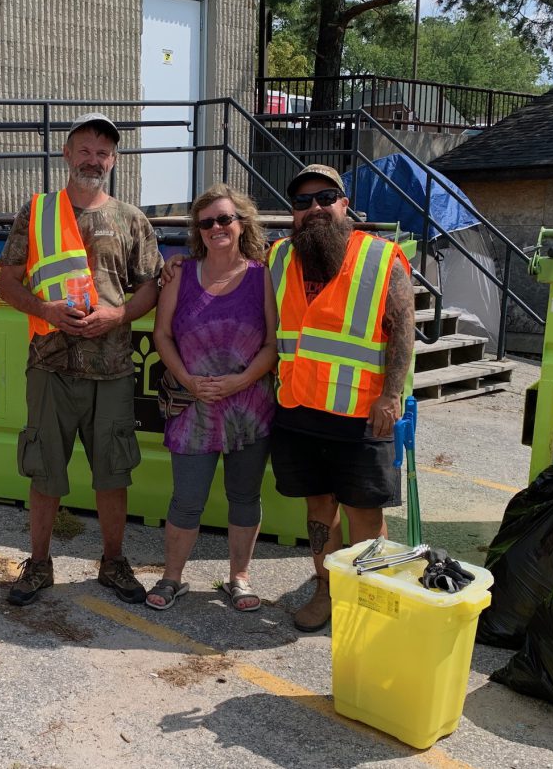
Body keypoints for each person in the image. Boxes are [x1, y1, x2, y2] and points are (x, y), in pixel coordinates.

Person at [0, 112, 162, 606]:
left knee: (113, 472)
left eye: (104, 153)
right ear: (67, 154)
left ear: (114, 161)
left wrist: (118, 316)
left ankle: (113, 563)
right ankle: (39, 564)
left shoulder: (132, 218)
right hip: (50, 365)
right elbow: (6, 282)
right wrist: (44, 309)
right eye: (85, 150)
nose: (94, 159)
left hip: (111, 367)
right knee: (45, 471)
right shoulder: (38, 211)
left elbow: (150, 286)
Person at [268, 163, 415, 632]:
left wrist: (391, 396)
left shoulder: (380, 257)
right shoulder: (278, 257)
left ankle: (369, 599)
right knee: (318, 509)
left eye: (325, 197)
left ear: (344, 204)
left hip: (360, 414)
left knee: (365, 516)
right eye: (302, 202)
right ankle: (327, 590)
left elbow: (403, 333)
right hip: (298, 409)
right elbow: (222, 251)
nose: (313, 208)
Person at [146, 185, 277, 612]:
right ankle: (172, 578)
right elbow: (161, 334)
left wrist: (239, 383)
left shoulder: (264, 274)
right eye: (206, 222)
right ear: (197, 231)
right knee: (186, 499)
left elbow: (274, 345)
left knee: (244, 495)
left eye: (224, 219)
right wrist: (185, 378)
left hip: (249, 407)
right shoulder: (180, 273)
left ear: (242, 224)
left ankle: (239, 578)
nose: (216, 228)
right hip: (192, 407)